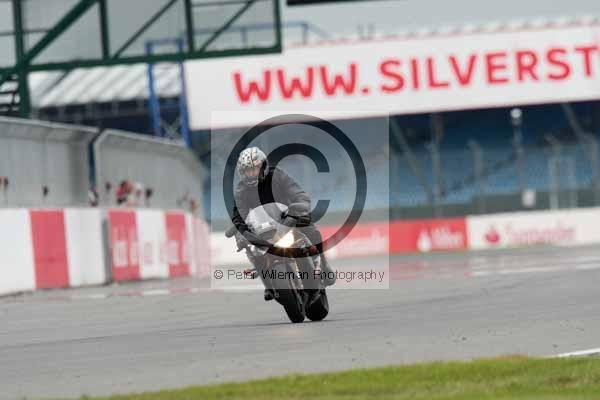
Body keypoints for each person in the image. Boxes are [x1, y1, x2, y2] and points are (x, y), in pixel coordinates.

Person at [230, 147, 336, 301]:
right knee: (250, 247)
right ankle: (268, 284)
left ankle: (323, 264)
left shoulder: (278, 176)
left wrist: (299, 206)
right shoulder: (241, 189)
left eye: (254, 169)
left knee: (311, 229)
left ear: (263, 166)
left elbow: (299, 194)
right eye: (247, 171)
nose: (251, 174)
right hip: (262, 227)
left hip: (288, 218)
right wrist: (241, 233)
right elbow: (239, 215)